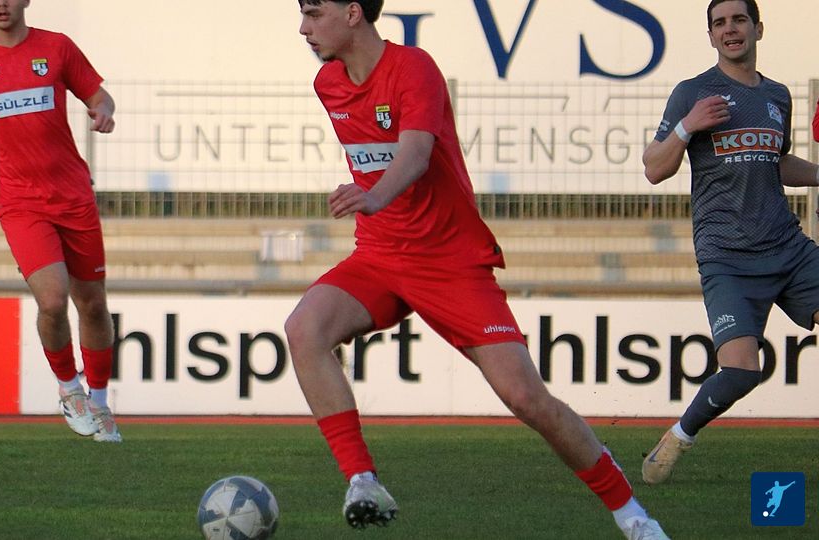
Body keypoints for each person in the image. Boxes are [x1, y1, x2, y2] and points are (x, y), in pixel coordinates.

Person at [287, 1, 669, 538]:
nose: (303, 28)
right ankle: (363, 481)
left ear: (353, 13)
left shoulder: (413, 67)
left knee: (525, 398)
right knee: (303, 329)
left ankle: (633, 516)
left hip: (450, 262)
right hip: (379, 255)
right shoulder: (328, 82)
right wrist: (375, 206)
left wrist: (374, 196)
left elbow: (415, 154)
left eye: (313, 13)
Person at [642, 0, 819, 483]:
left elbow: (776, 162)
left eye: (739, 20)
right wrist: (688, 126)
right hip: (728, 258)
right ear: (711, 36)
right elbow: (654, 168)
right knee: (741, 373)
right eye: (719, 23)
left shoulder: (778, 95)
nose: (730, 29)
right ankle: (679, 435)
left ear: (758, 28)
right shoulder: (693, 93)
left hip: (787, 247)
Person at [0, 0, 121, 442]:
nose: (1, 4)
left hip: (73, 195)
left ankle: (100, 403)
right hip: (20, 202)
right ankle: (69, 389)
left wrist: (103, 110)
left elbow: (99, 95)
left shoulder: (56, 47)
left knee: (93, 304)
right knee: (53, 300)